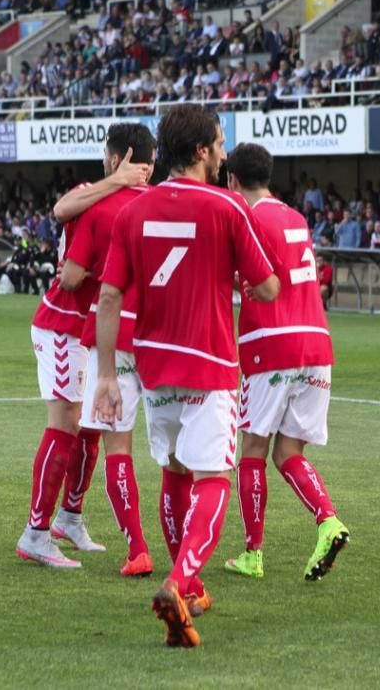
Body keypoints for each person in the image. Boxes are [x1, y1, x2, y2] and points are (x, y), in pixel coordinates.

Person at [94, 104, 280, 647]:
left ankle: (189, 582)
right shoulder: (226, 207)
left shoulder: (133, 210)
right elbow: (267, 287)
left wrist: (107, 374)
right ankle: (178, 581)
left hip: (153, 365)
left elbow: (109, 296)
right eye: (220, 144)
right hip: (211, 362)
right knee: (213, 477)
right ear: (201, 151)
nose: (225, 153)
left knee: (175, 470)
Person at [16, 130, 153, 570]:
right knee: (67, 423)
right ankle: (35, 532)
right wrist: (115, 183)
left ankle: (69, 517)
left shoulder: (133, 202)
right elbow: (61, 217)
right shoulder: (90, 194)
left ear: (115, 157)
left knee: (91, 426)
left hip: (96, 329)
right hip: (63, 323)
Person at [223, 143, 349, 586]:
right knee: (288, 452)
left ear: (233, 181)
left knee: (252, 450)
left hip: (270, 344)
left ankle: (253, 554)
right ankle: (328, 521)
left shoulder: (245, 218)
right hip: (317, 344)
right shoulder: (296, 218)